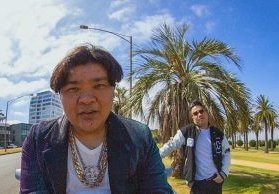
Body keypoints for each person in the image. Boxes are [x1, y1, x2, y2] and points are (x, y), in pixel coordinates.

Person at [20, 44, 173, 194]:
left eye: (99, 86)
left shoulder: (140, 137)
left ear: (113, 90)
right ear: (60, 96)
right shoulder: (37, 139)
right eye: (73, 89)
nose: (86, 99)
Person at [159, 101, 231, 194]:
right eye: (195, 113)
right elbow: (171, 145)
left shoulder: (218, 134)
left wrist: (223, 174)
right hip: (196, 185)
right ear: (192, 118)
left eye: (201, 111)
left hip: (215, 183)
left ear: (206, 112)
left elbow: (226, 153)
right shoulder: (187, 132)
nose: (199, 114)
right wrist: (154, 156)